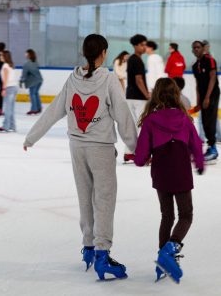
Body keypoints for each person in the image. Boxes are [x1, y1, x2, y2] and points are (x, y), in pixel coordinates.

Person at [23, 34, 137, 280]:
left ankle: (88, 247)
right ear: (104, 53)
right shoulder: (108, 80)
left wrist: (31, 137)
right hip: (101, 149)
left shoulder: (73, 79)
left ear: (84, 53)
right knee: (104, 200)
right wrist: (137, 148)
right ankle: (102, 254)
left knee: (85, 197)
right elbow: (123, 117)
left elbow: (54, 110)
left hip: (77, 148)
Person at [134, 78, 204, 284]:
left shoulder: (150, 120)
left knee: (167, 215)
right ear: (176, 94)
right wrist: (199, 163)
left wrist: (140, 160)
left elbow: (141, 154)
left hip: (161, 174)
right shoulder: (184, 118)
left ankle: (162, 260)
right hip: (181, 173)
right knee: (186, 215)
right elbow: (196, 145)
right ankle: (170, 249)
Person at [192, 41, 220, 163]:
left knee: (210, 120)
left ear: (203, 48)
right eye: (194, 48)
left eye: (198, 47)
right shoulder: (195, 66)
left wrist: (208, 97)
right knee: (204, 121)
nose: (196, 49)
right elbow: (197, 85)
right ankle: (210, 148)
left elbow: (213, 77)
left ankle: (213, 149)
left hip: (212, 95)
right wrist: (199, 102)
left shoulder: (210, 60)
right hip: (203, 97)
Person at [124, 34, 149, 162]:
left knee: (133, 125)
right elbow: (139, 80)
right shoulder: (137, 60)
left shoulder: (132, 59)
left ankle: (129, 152)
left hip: (130, 96)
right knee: (143, 125)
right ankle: (141, 153)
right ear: (136, 46)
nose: (145, 47)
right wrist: (147, 95)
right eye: (142, 45)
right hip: (138, 98)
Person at [0, 50, 18, 132]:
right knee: (11, 108)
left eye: (1, 56)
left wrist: (3, 89)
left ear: (5, 57)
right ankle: (12, 126)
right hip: (14, 87)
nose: (0, 57)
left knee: (7, 108)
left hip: (9, 88)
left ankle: (6, 126)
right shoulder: (11, 65)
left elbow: (5, 79)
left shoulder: (5, 66)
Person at [20, 49, 43, 115]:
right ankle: (39, 108)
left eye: (26, 53)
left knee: (32, 94)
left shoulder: (27, 64)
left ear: (29, 55)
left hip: (33, 82)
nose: (25, 55)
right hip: (39, 80)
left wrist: (21, 80)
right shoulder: (35, 62)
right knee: (36, 94)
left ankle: (34, 109)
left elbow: (24, 74)